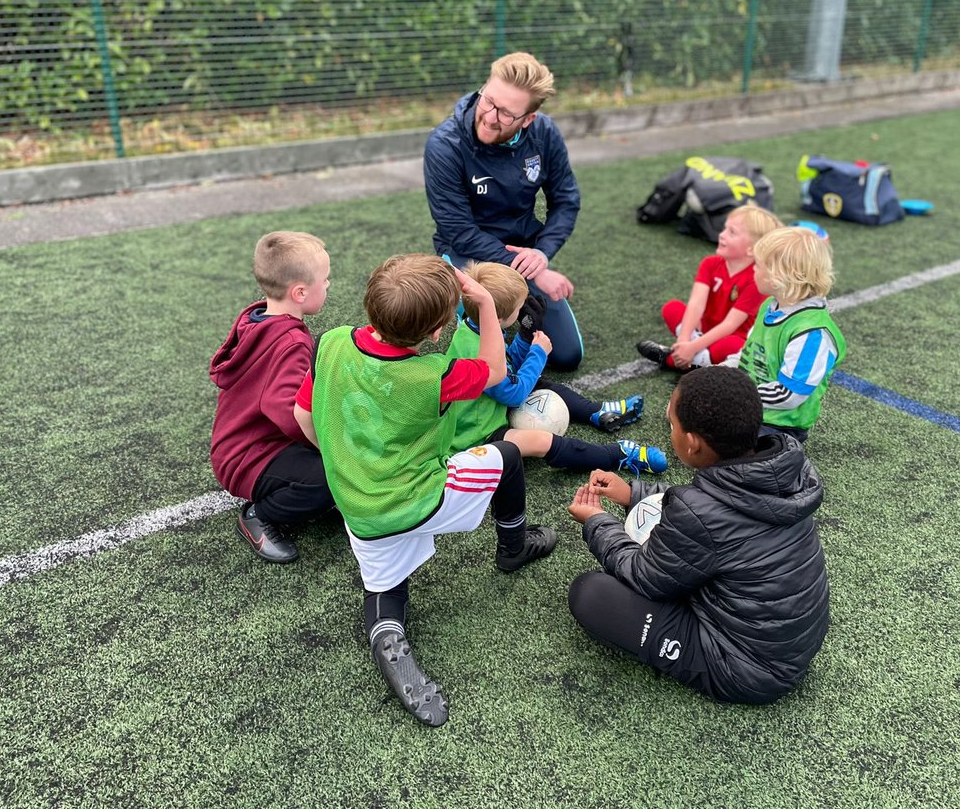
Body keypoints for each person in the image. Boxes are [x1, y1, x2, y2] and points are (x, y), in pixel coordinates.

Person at [293, 254, 556, 728]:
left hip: (359, 505)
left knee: (387, 585)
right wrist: (486, 306)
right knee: (509, 457)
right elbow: (496, 371)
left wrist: (343, 458)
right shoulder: (437, 374)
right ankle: (514, 547)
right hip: (421, 495)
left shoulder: (330, 342)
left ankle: (388, 633)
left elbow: (304, 417)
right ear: (437, 333)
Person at [565, 366, 829, 705]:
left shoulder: (699, 514)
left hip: (747, 669)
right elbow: (714, 503)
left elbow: (643, 576)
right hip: (791, 643)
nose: (670, 429)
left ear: (692, 445)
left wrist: (597, 521)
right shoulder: (781, 466)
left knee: (591, 593)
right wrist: (632, 493)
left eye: (672, 424)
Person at [424, 51, 584, 371]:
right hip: (467, 252)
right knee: (477, 338)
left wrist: (541, 254)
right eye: (488, 101)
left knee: (567, 356)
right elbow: (458, 229)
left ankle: (510, 297)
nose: (490, 116)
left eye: (506, 114)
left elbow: (566, 201)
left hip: (522, 251)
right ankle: (454, 285)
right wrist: (534, 271)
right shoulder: (445, 144)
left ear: (528, 120)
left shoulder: (545, 134)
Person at [447, 261, 666, 476]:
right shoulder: (477, 352)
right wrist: (538, 353)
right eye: (518, 308)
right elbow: (513, 394)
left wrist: (524, 336)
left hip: (486, 410)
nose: (522, 310)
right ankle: (618, 454)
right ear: (501, 317)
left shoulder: (473, 329)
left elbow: (506, 364)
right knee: (543, 441)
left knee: (537, 382)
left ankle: (596, 411)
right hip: (476, 436)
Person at [208, 231, 335, 564]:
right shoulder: (290, 342)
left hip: (248, 443)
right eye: (326, 280)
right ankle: (261, 516)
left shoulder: (257, 318)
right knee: (334, 474)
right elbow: (289, 412)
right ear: (300, 292)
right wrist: (329, 447)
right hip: (249, 456)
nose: (329, 285)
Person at [731, 225, 847, 442]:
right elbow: (746, 355)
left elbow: (790, 394)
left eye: (758, 265)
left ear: (779, 278)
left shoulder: (812, 332)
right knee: (688, 408)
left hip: (779, 426)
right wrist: (717, 375)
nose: (752, 269)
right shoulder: (770, 305)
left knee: (717, 443)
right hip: (748, 406)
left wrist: (737, 395)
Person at [636, 202, 783, 371]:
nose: (722, 235)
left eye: (732, 232)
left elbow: (730, 325)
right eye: (725, 228)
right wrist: (684, 340)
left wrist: (692, 348)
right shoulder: (710, 264)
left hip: (728, 338)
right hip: (703, 332)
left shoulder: (756, 279)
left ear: (751, 250)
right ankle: (697, 358)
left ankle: (673, 359)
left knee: (735, 345)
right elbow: (696, 304)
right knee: (672, 308)